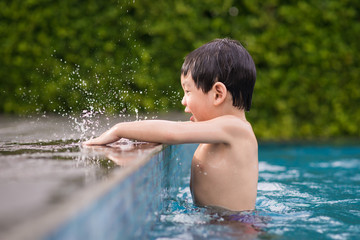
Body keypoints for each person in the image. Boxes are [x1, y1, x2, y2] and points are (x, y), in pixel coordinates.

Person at [83, 38, 258, 211]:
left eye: (188, 91)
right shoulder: (222, 131)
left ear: (218, 94)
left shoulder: (236, 128)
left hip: (235, 229)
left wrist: (119, 129)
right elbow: (171, 130)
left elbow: (172, 132)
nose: (183, 101)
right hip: (218, 224)